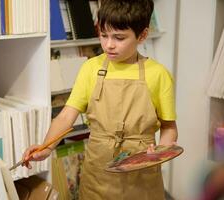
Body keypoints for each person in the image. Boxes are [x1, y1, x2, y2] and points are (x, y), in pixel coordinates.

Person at [22, 0, 178, 199]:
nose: (109, 45)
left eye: (119, 38)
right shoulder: (91, 68)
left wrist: (159, 153)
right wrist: (46, 147)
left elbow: (169, 127)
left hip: (141, 175)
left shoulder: (158, 74)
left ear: (143, 35)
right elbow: (66, 116)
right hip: (98, 172)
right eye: (104, 35)